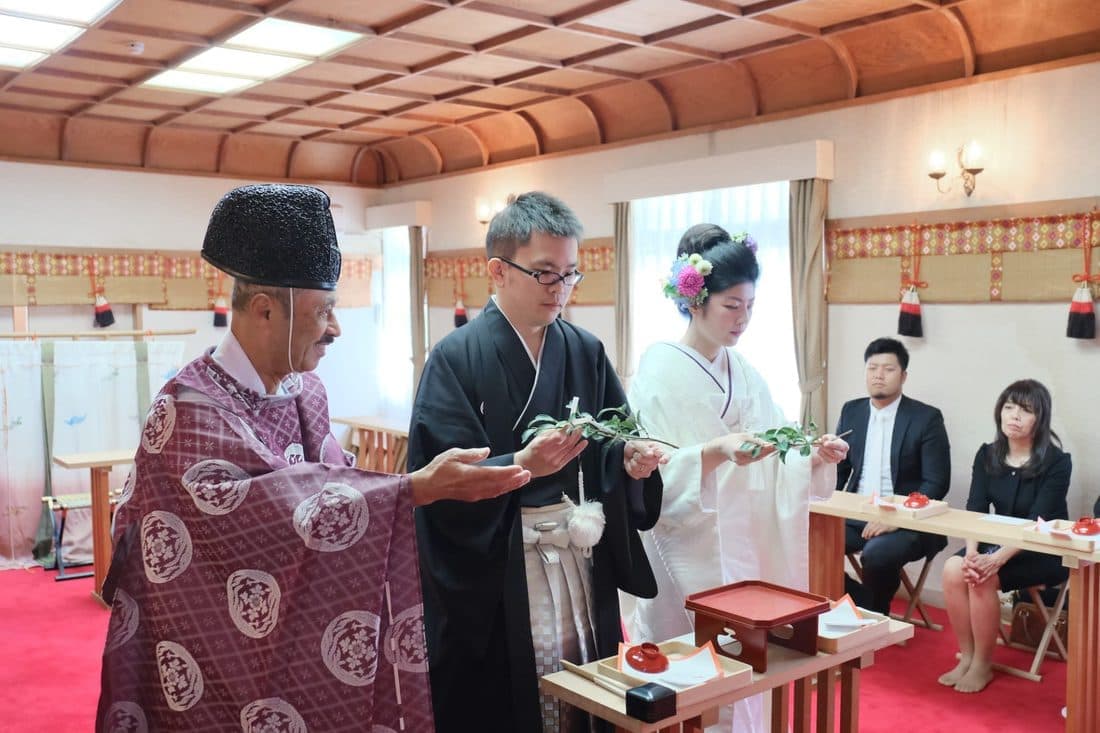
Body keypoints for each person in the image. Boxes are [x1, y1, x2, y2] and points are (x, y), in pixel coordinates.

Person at [96, 184, 531, 732]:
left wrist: (412, 490)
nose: (335, 329)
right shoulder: (186, 410)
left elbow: (328, 493)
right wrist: (414, 488)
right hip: (205, 659)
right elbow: (264, 515)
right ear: (264, 310)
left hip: (294, 647)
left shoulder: (306, 392)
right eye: (324, 311)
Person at [408, 191, 667, 733]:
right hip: (504, 564)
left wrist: (628, 459)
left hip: (578, 550)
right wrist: (521, 463)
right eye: (546, 273)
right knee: (518, 698)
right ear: (498, 270)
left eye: (571, 275)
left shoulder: (585, 350)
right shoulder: (455, 358)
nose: (560, 289)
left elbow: (610, 438)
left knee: (584, 681)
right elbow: (438, 483)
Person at [627, 223, 848, 733]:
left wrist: (813, 454)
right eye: (731, 305)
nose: (743, 319)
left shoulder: (744, 370)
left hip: (742, 537)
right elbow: (653, 467)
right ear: (695, 301)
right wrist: (713, 452)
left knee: (744, 661)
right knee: (684, 664)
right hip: (684, 541)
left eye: (750, 305)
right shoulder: (658, 368)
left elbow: (778, 441)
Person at [938, 379, 1071, 693]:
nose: (1014, 416)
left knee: (982, 577)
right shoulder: (987, 454)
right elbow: (975, 509)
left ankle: (982, 664)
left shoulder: (1057, 462)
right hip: (995, 542)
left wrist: (994, 560)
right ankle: (967, 656)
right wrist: (973, 552)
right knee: (954, 568)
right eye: (1009, 407)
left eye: (1025, 410)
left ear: (1040, 418)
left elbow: (1037, 520)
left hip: (1043, 548)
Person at [834, 337, 951, 614]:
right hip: (856, 513)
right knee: (811, 541)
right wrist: (827, 507)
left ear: (903, 376)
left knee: (877, 554)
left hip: (907, 521)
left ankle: (875, 613)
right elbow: (839, 468)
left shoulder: (926, 418)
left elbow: (937, 482)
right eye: (872, 368)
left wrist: (895, 517)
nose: (878, 375)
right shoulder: (852, 411)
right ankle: (863, 603)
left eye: (888, 369)